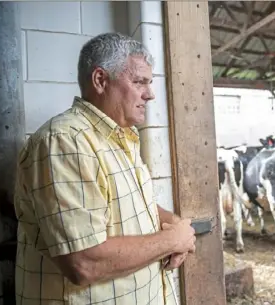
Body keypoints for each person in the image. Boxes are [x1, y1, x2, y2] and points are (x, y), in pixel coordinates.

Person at [13, 32, 196, 305]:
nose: (150, 94)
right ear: (100, 80)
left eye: (150, 83)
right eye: (139, 82)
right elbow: (84, 261)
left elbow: (133, 205)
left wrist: (176, 224)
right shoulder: (66, 142)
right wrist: (172, 241)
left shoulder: (120, 137)